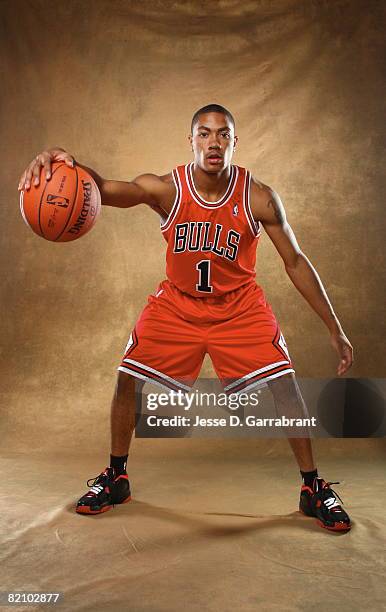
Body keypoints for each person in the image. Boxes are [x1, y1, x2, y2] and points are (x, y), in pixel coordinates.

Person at [18, 104, 353, 531]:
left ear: (234, 141)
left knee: (285, 382)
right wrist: (70, 163)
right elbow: (103, 189)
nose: (214, 142)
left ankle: (312, 487)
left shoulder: (259, 197)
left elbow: (296, 261)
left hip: (238, 307)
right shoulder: (166, 189)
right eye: (204, 134)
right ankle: (116, 476)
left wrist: (334, 327)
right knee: (126, 376)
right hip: (178, 305)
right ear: (191, 140)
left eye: (223, 134)